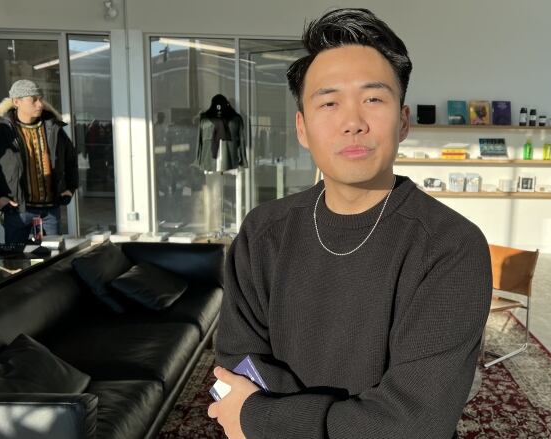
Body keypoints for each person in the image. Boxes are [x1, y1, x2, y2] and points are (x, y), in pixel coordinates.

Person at [209, 8, 491, 439]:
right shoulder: (263, 231)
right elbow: (237, 365)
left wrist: (265, 419)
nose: (353, 122)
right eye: (329, 102)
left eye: (373, 99)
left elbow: (416, 422)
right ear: (302, 127)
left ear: (403, 121)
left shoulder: (450, 246)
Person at [0, 79, 78, 243]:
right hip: (17, 211)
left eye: (40, 98)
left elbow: (70, 160)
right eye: (33, 99)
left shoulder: (54, 128)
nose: (40, 104)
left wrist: (69, 187)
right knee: (18, 262)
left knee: (51, 261)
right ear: (16, 101)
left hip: (50, 212)